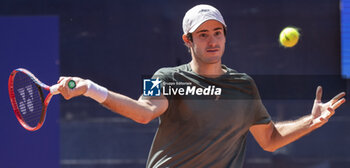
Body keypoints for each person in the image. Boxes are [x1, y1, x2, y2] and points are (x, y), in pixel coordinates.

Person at [57, 4, 346, 168]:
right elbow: (144, 112)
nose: (212, 40)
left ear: (224, 36)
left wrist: (312, 121)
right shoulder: (165, 76)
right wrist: (91, 88)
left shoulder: (243, 86)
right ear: (188, 40)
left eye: (217, 33)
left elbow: (269, 138)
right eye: (203, 34)